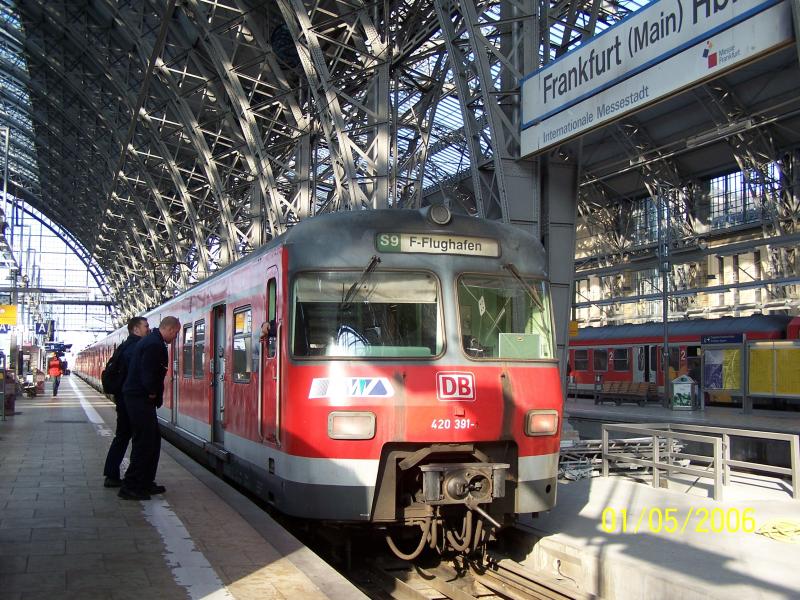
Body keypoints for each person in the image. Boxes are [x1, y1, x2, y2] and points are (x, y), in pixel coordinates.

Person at [118, 316, 180, 501]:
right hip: (139, 398)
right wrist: (152, 392)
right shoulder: (154, 344)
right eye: (175, 333)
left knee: (152, 441)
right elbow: (148, 373)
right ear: (169, 329)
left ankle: (145, 482)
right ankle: (131, 486)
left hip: (138, 397)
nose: (175, 337)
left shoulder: (152, 341)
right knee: (144, 443)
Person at [102, 316, 150, 488]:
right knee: (135, 438)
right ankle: (131, 477)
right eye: (145, 326)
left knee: (122, 436)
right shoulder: (136, 348)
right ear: (136, 329)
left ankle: (112, 473)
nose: (148, 329)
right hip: (129, 401)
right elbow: (136, 376)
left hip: (123, 399)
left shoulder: (125, 346)